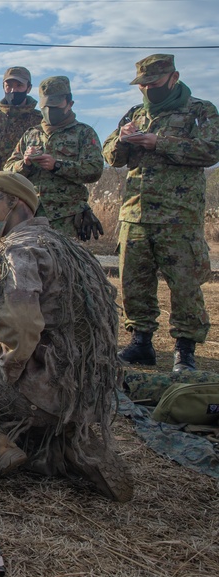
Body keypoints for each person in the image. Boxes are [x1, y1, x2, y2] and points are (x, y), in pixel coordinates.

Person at [0, 172, 132, 503]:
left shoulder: (16, 250)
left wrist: (5, 377)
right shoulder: (71, 249)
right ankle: (60, 448)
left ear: (13, 200)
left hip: (41, 389)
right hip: (83, 393)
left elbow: (22, 326)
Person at [103, 54, 219, 371]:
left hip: (178, 218)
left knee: (184, 286)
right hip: (136, 216)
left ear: (173, 77)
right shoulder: (135, 113)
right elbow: (111, 156)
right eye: (143, 84)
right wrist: (123, 139)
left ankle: (185, 351)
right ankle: (141, 344)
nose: (148, 89)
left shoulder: (200, 110)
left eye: (153, 83)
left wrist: (160, 142)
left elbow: (212, 149)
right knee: (134, 284)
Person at [4, 76, 104, 239]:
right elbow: (8, 170)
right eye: (46, 106)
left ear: (69, 104)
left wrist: (57, 165)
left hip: (67, 218)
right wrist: (25, 164)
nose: (50, 111)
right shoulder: (31, 134)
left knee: (64, 264)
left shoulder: (83, 133)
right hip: (31, 215)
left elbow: (95, 170)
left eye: (55, 106)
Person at [0, 67, 42, 173]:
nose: (13, 90)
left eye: (19, 86)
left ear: (29, 88)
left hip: (23, 185)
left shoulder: (39, 121)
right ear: (3, 87)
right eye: (9, 86)